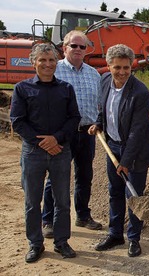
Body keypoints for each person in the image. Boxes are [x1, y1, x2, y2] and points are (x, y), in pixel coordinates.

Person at [11, 43, 81, 263]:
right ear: (34, 63)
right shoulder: (22, 89)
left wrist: (56, 139)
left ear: (56, 62)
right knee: (33, 201)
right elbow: (18, 121)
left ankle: (61, 242)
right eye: (43, 60)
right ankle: (35, 244)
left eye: (51, 60)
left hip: (60, 151)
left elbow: (74, 118)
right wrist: (43, 142)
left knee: (62, 200)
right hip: (33, 152)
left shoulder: (66, 89)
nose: (48, 64)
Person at [89, 44, 149, 258]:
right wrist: (99, 124)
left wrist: (125, 162)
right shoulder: (105, 82)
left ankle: (134, 238)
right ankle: (115, 234)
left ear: (131, 67)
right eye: (117, 67)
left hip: (135, 151)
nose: (122, 72)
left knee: (133, 195)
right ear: (108, 66)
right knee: (115, 192)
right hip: (113, 146)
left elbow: (137, 131)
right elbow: (103, 108)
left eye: (126, 67)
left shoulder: (140, 93)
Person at [41, 30, 102, 239]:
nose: (77, 49)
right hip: (62, 135)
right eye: (73, 45)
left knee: (85, 176)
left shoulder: (93, 74)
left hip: (87, 133)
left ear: (86, 50)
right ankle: (47, 220)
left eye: (82, 46)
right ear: (64, 47)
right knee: (56, 177)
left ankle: (83, 215)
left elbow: (99, 105)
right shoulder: (54, 71)